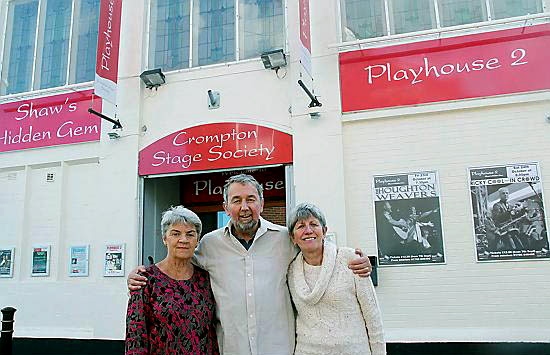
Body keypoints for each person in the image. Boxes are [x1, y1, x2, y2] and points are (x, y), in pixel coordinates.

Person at [128, 174, 373, 355]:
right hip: (231, 350)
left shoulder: (284, 239)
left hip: (280, 349)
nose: (244, 207)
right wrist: (138, 274)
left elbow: (316, 244)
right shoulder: (209, 245)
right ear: (226, 207)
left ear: (261, 204)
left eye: (250, 200)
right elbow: (176, 263)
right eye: (236, 200)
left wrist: (352, 258)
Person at [287, 203, 386, 355]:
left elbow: (372, 316)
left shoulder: (350, 259)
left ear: (324, 231)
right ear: (293, 237)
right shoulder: (290, 271)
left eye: (314, 224)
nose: (308, 230)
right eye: (300, 226)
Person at [125, 206, 218, 355]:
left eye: (190, 234)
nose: (183, 240)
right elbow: (136, 337)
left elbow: (211, 333)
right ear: (164, 239)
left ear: (197, 240)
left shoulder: (205, 279)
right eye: (175, 234)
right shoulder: (146, 280)